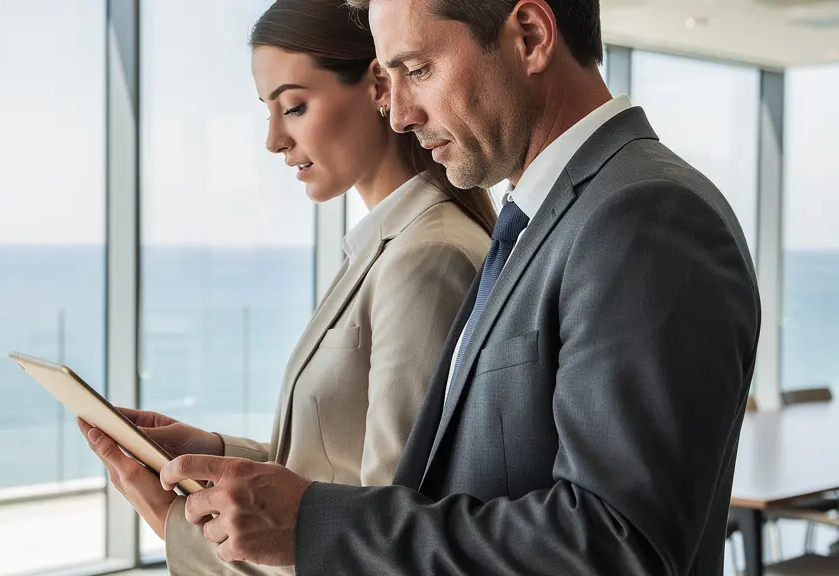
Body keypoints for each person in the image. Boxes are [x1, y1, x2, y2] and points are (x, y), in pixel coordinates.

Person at [149, 0, 762, 574]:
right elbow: (448, 482)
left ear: (530, 36)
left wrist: (310, 523)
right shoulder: (542, 219)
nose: (400, 113)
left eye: (417, 69)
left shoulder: (645, 217)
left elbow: (615, 545)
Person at [77, 0, 496, 573]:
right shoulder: (383, 248)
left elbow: (385, 537)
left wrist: (168, 514)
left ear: (379, 86)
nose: (274, 139)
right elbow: (337, 471)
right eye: (268, 112)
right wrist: (218, 455)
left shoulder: (428, 258)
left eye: (294, 107)